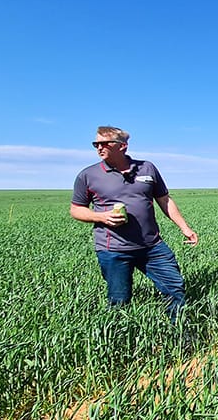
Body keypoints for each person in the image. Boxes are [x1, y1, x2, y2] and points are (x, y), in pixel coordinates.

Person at [70, 125, 198, 321]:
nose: (99, 148)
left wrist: (184, 227)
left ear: (122, 146)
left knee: (174, 287)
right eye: (96, 144)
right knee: (119, 300)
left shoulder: (147, 168)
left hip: (152, 246)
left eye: (105, 143)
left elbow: (164, 200)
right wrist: (101, 217)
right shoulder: (88, 175)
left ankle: (180, 332)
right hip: (112, 249)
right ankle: (120, 340)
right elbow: (76, 209)